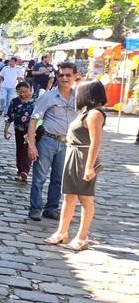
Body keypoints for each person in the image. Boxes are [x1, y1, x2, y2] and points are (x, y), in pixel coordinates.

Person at [46, 80, 107, 250]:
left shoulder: (95, 114)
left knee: (85, 198)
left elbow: (96, 142)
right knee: (69, 196)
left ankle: (82, 237)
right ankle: (62, 232)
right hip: (73, 155)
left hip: (83, 157)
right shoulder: (86, 112)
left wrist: (89, 166)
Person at [27, 61, 79, 221]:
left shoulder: (79, 97)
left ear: (75, 77)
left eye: (68, 75)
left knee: (58, 179)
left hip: (67, 143)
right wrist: (31, 145)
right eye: (61, 75)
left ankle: (51, 208)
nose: (64, 78)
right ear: (57, 76)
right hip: (47, 141)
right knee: (39, 178)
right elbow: (33, 121)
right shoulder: (48, 97)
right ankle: (35, 208)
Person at [3, 82, 35, 182]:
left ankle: (25, 170)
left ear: (30, 90)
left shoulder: (36, 101)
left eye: (24, 92)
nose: (22, 94)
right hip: (19, 129)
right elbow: (9, 116)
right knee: (20, 150)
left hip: (31, 131)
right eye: (19, 92)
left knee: (28, 149)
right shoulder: (14, 102)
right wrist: (6, 129)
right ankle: (20, 169)